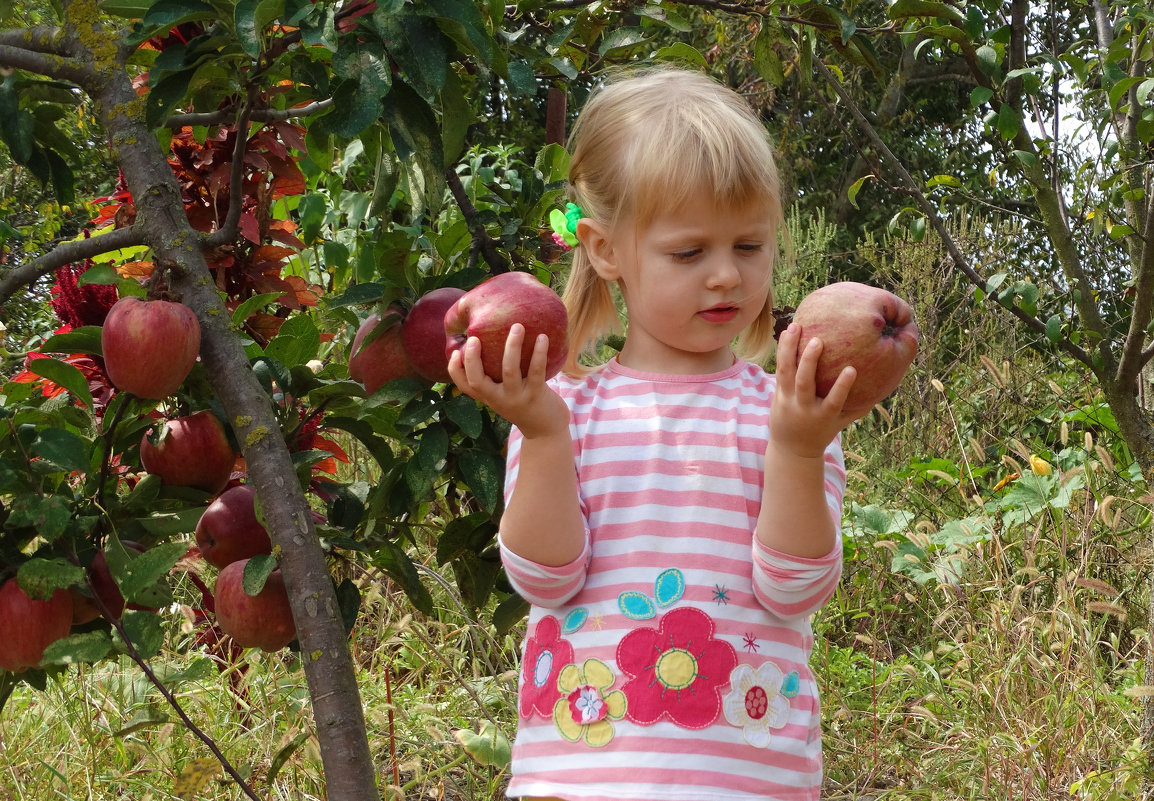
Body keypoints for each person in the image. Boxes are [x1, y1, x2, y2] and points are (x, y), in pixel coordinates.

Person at [447, 67, 860, 801]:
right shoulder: (565, 408)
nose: (727, 276)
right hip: (576, 779)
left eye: (750, 246)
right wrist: (542, 435)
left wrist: (797, 448)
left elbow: (794, 589)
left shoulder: (791, 415)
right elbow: (546, 576)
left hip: (744, 784)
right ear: (607, 251)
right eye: (689, 252)